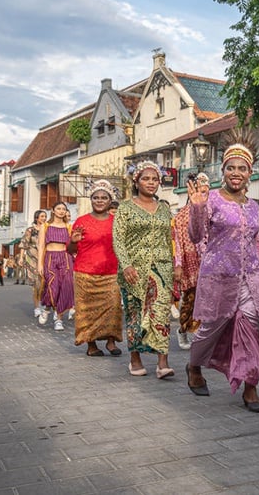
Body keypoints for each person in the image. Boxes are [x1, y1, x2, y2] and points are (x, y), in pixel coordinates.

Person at [185, 133, 259, 412]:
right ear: (223, 171)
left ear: (250, 173)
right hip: (219, 278)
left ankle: (250, 386)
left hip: (250, 278)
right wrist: (196, 208)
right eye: (230, 167)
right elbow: (196, 236)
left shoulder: (254, 206)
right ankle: (194, 366)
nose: (236, 173)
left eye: (241, 168)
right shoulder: (211, 201)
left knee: (251, 328)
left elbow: (255, 240)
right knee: (210, 329)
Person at [113, 161, 175, 379]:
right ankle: (135, 359)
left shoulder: (165, 209)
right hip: (134, 269)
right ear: (136, 181)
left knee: (161, 313)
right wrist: (126, 264)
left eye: (155, 179)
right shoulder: (125, 208)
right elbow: (118, 240)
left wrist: (174, 266)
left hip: (161, 268)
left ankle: (162, 362)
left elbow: (170, 240)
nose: (151, 183)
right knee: (135, 314)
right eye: (146, 179)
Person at [69, 180, 122, 357]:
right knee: (87, 311)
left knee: (113, 307)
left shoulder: (117, 222)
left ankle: (111, 342)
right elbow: (70, 250)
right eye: (96, 197)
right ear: (91, 200)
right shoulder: (81, 221)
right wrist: (73, 242)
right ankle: (91, 345)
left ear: (110, 201)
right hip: (85, 273)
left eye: (103, 198)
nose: (99, 201)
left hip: (111, 272)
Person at [172, 173, 209, 351]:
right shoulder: (180, 216)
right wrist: (178, 264)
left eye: (207, 190)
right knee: (191, 300)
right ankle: (183, 330)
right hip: (191, 262)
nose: (204, 194)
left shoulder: (213, 210)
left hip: (210, 263)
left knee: (209, 300)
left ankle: (202, 334)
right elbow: (178, 242)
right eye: (201, 191)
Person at [38, 202, 74, 331]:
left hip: (65, 257)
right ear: (53, 210)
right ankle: (47, 308)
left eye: (63, 209)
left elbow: (73, 246)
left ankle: (58, 319)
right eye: (58, 208)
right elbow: (41, 246)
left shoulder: (69, 227)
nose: (61, 211)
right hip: (50, 258)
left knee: (65, 288)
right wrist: (39, 264)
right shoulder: (45, 226)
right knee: (52, 286)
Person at [23, 210, 47, 318]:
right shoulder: (30, 230)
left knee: (44, 283)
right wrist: (21, 257)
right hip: (32, 259)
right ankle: (37, 307)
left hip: (45, 258)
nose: (44, 218)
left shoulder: (47, 229)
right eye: (42, 216)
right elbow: (24, 243)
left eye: (45, 216)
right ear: (36, 218)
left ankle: (43, 303)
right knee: (36, 284)